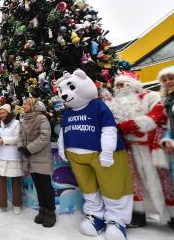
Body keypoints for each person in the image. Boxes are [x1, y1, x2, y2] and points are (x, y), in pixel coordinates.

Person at [57, 70, 133, 240]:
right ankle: (95, 216)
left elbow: (109, 129)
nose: (65, 94)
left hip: (103, 155)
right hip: (77, 157)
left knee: (113, 185)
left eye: (70, 88)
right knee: (88, 187)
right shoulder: (68, 113)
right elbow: (64, 131)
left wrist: (107, 152)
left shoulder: (97, 106)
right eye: (62, 91)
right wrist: (62, 148)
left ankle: (116, 220)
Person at [106, 71, 174, 228]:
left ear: (132, 84)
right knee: (134, 183)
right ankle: (138, 214)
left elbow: (158, 116)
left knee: (162, 180)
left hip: (150, 147)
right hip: (128, 149)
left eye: (122, 84)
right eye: (117, 85)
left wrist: (128, 126)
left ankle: (171, 214)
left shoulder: (150, 96)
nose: (119, 88)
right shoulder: (113, 103)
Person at [18, 98, 55, 226]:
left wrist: (29, 149)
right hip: (30, 158)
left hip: (41, 158)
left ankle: (50, 212)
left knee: (46, 186)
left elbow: (44, 137)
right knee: (38, 187)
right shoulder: (25, 119)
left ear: (33, 105)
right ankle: (42, 209)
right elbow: (21, 136)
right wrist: (21, 146)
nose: (24, 105)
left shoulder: (41, 118)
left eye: (26, 103)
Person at [0, 104, 22, 215]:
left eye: (3, 112)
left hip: (13, 156)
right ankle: (0, 205)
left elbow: (18, 138)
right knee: (1, 181)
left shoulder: (16, 123)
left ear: (9, 113)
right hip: (1, 156)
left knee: (16, 181)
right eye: (0, 113)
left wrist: (3, 140)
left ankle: (17, 204)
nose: (1, 115)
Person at [158, 66, 174, 229]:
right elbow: (168, 125)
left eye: (171, 78)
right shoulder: (167, 100)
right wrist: (168, 140)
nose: (169, 82)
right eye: (165, 79)